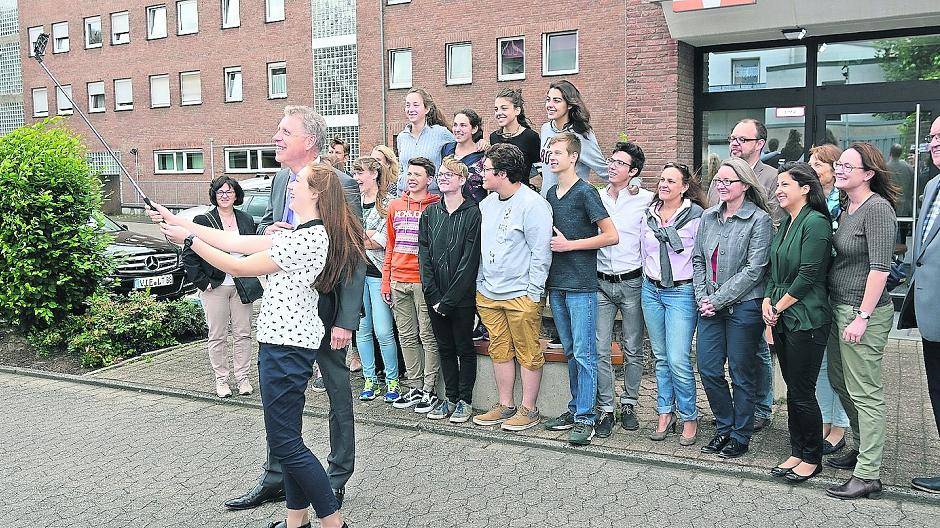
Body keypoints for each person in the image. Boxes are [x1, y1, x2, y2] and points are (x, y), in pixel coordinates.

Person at [148, 163, 358, 528]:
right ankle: (297, 521)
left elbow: (237, 264)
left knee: (287, 444)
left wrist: (187, 242)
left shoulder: (306, 240)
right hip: (285, 344)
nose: (291, 187)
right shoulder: (301, 232)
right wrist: (178, 220)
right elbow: (233, 241)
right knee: (287, 439)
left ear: (317, 194)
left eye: (299, 184)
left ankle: (334, 523)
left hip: (286, 348)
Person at [227, 106, 364, 514]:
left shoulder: (339, 182)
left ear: (309, 140)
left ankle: (335, 480)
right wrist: (273, 231)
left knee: (337, 395)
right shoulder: (281, 179)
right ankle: (278, 479)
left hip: (326, 311)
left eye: (285, 131)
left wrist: (345, 320)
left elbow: (352, 251)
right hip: (287, 311)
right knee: (283, 405)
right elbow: (270, 227)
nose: (276, 137)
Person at [824, 142, 899, 500]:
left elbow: (880, 268)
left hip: (862, 313)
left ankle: (868, 473)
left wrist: (863, 317)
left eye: (847, 167)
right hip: (839, 307)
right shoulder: (845, 206)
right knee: (842, 383)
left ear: (868, 174)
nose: (839, 170)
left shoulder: (877, 209)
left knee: (866, 392)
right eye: (838, 164)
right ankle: (859, 449)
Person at [541, 132, 619, 446]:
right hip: (557, 285)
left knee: (585, 354)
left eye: (558, 152)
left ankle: (586, 418)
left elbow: (611, 235)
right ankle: (576, 409)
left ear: (574, 157)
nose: (552, 156)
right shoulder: (549, 194)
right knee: (572, 352)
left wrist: (570, 245)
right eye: (550, 152)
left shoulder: (587, 192)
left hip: (582, 286)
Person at [692, 157, 773, 459]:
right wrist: (703, 297)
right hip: (709, 306)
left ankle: (741, 434)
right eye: (719, 181)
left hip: (744, 307)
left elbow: (755, 270)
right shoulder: (709, 217)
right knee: (709, 369)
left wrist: (716, 300)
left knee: (741, 372)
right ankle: (724, 427)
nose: (722, 186)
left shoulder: (759, 220)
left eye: (729, 181)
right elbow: (698, 260)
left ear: (745, 184)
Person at [472, 143, 553, 432]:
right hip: (489, 293)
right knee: (499, 349)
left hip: (521, 294)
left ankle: (529, 409)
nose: (481, 174)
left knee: (528, 350)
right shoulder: (486, 204)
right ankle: (505, 404)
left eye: (487, 169)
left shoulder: (533, 205)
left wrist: (533, 293)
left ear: (503, 174)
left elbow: (541, 253)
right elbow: (480, 249)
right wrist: (480, 284)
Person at [706, 118, 780, 432]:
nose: (735, 143)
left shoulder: (773, 178)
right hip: (716, 282)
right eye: (732, 138)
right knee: (719, 362)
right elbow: (710, 222)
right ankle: (735, 417)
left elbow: (772, 224)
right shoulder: (720, 176)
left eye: (743, 139)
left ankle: (760, 409)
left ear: (759, 144)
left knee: (754, 353)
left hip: (752, 278)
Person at [763, 162, 833, 484]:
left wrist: (776, 306)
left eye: (784, 185)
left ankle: (812, 457)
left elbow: (808, 275)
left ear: (805, 188)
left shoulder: (816, 223)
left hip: (806, 318)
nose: (778, 190)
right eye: (777, 184)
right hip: (781, 315)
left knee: (803, 391)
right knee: (793, 390)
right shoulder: (785, 223)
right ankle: (797, 450)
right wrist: (767, 302)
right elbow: (773, 270)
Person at [640, 162, 705, 445]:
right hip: (651, 290)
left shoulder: (697, 217)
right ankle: (665, 412)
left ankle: (689, 415)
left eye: (671, 181)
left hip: (681, 292)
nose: (664, 185)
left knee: (678, 358)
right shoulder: (649, 214)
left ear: (684, 187)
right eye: (662, 179)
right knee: (661, 357)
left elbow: (702, 257)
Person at [182, 176, 264, 398]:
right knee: (217, 335)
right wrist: (202, 282)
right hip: (215, 286)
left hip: (241, 284)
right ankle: (221, 380)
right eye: (220, 192)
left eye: (229, 192)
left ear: (236, 195)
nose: (225, 196)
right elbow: (189, 255)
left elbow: (253, 249)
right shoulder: (204, 220)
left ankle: (243, 378)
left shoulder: (246, 219)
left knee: (243, 333)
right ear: (214, 196)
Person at [593, 142, 653, 438]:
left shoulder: (646, 199)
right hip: (601, 282)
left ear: (634, 172)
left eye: (619, 163)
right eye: (611, 160)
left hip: (633, 283)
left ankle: (628, 404)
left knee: (632, 348)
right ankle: (606, 407)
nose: (612, 166)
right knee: (600, 347)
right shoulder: (597, 197)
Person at [418, 157, 482, 423]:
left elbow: (469, 261)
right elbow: (423, 256)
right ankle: (450, 397)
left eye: (450, 174)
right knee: (444, 347)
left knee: (464, 348)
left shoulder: (473, 213)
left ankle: (465, 400)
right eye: (441, 173)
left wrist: (449, 300)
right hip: (434, 297)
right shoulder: (430, 214)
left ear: (462, 180)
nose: (443, 177)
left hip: (461, 299)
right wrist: (433, 295)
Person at [384, 157, 443, 414]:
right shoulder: (395, 206)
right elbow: (390, 245)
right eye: (409, 173)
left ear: (429, 179)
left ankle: (430, 389)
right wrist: (386, 280)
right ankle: (415, 386)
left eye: (418, 174)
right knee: (406, 337)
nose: (412, 178)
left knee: (427, 336)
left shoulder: (436, 206)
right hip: (398, 279)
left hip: (423, 282)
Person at [808, 143, 850, 454]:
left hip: (841, 291)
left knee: (839, 364)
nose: (812, 169)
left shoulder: (846, 203)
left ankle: (840, 427)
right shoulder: (812, 201)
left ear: (834, 168)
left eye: (818, 164)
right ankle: (824, 422)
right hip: (819, 292)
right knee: (820, 364)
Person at [908, 117, 940, 494]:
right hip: (932, 313)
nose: (933, 144)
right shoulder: (932, 184)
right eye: (931, 137)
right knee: (936, 390)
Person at [351, 156, 400, 403]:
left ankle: (392, 380)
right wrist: (365, 236)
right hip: (355, 275)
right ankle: (370, 379)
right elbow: (345, 236)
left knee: (383, 331)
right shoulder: (352, 202)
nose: (357, 178)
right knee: (362, 331)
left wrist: (361, 237)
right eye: (355, 172)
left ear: (374, 175)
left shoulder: (388, 203)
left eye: (361, 173)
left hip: (379, 274)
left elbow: (382, 241)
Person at [539, 80, 609, 197]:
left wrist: (633, 182)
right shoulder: (545, 129)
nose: (550, 105)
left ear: (570, 104)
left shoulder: (581, 134)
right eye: (548, 100)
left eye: (556, 101)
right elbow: (544, 164)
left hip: (572, 204)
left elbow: (604, 169)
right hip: (547, 202)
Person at [395, 88, 455, 195]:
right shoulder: (401, 137)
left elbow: (463, 144)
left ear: (426, 109)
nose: (411, 109)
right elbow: (402, 167)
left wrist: (480, 143)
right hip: (407, 198)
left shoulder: (440, 133)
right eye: (408, 105)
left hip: (433, 198)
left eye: (416, 105)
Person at [490, 88, 541, 188]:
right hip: (498, 195)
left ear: (517, 110)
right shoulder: (494, 137)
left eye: (504, 108)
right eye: (496, 109)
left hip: (522, 196)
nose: (499, 113)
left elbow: (539, 169)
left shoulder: (530, 137)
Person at [440, 109, 487, 202]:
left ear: (474, 129)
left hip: (475, 209)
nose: (457, 129)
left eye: (463, 125)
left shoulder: (483, 155)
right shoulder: (447, 149)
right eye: (455, 125)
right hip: (449, 208)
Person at [887, 143, 914, 218]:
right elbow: (912, 188)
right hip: (906, 207)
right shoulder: (909, 168)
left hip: (890, 206)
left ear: (890, 153)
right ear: (900, 153)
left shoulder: (885, 169)